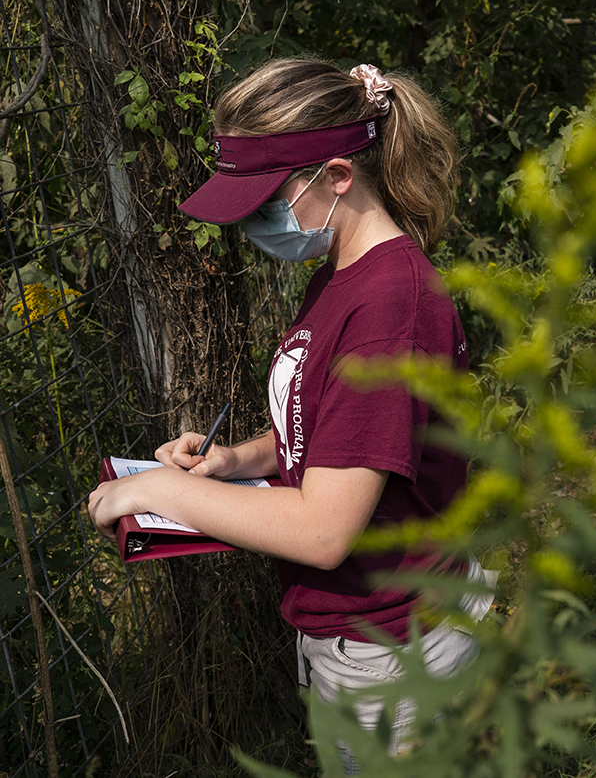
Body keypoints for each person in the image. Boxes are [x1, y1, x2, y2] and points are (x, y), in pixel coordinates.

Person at [88, 58, 492, 762]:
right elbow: (326, 428)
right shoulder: (341, 274)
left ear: (338, 176)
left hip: (394, 651)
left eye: (266, 199)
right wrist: (235, 459)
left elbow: (324, 530)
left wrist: (160, 489)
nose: (252, 222)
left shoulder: (389, 306)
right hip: (359, 634)